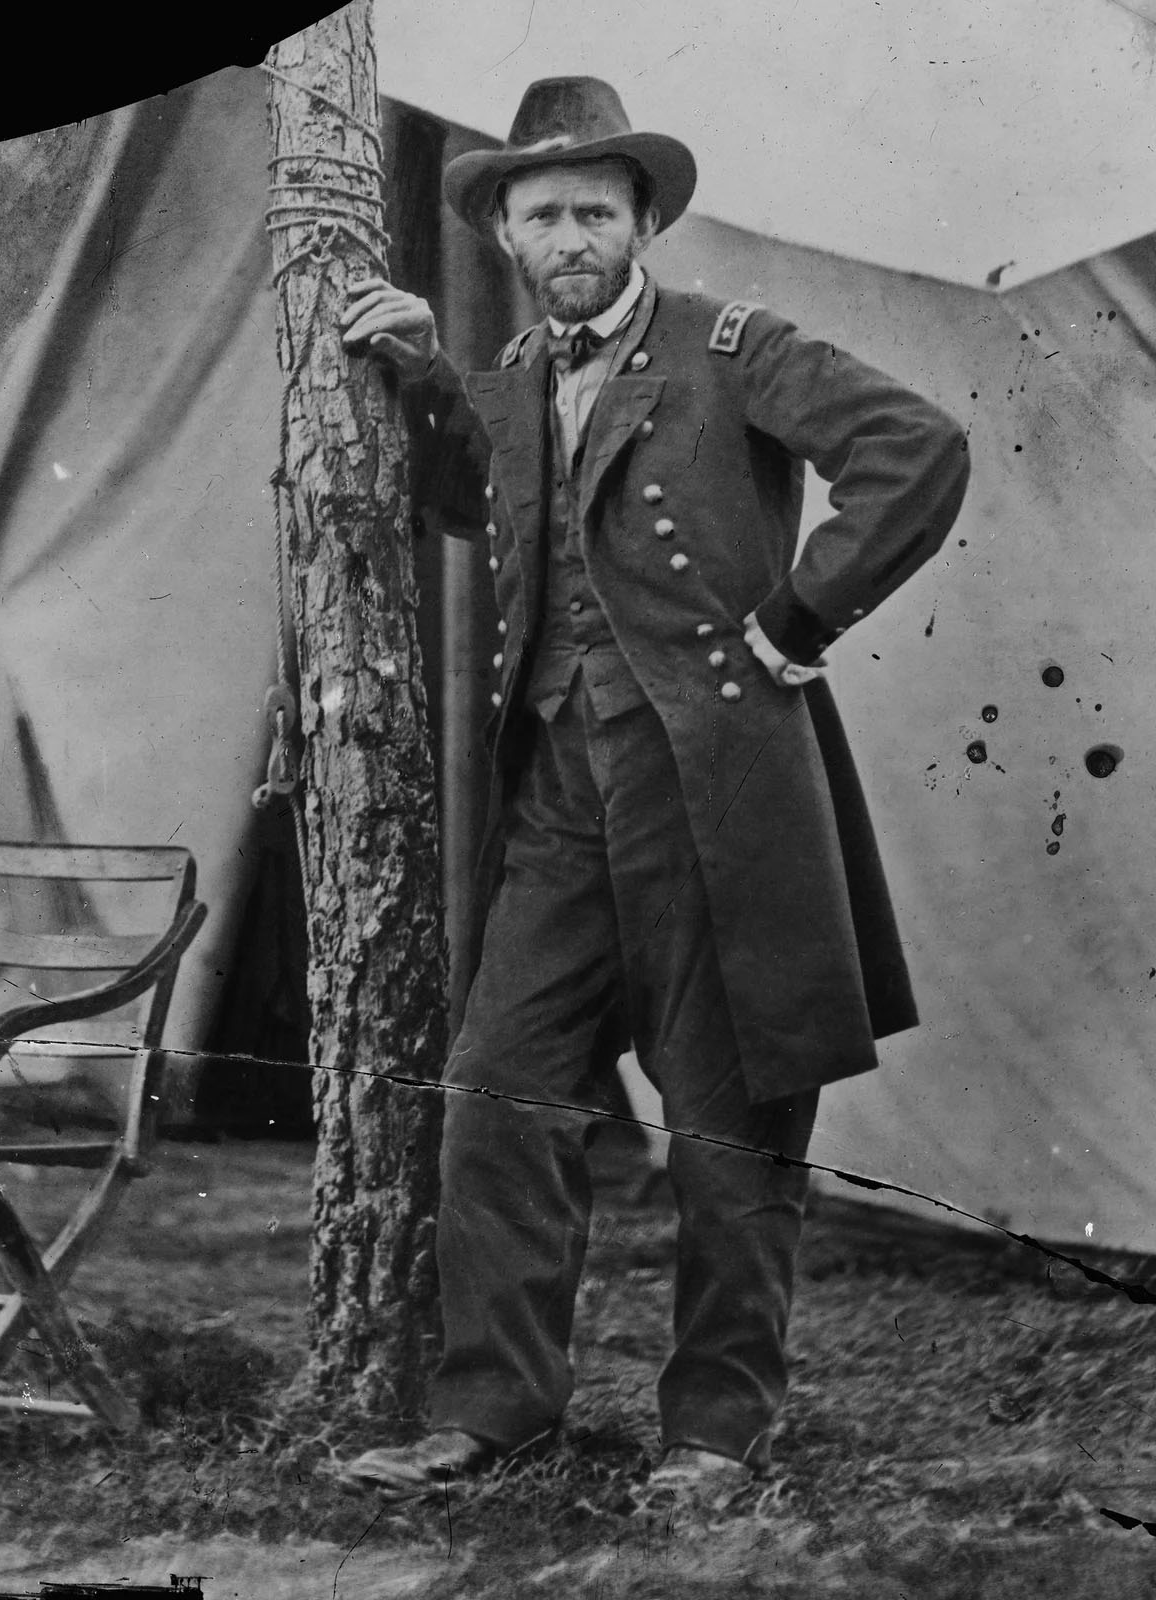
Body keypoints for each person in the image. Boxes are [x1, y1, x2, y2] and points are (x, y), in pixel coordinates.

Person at [337, 76, 970, 1500]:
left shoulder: (731, 347)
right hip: (557, 812)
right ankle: (495, 1407)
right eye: (543, 212)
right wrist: (434, 374)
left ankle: (715, 1434)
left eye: (595, 211)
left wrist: (799, 618)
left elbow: (917, 448)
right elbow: (468, 498)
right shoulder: (508, 379)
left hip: (714, 803)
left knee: (728, 1129)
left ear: (640, 223)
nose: (570, 235)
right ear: (506, 232)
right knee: (497, 1095)